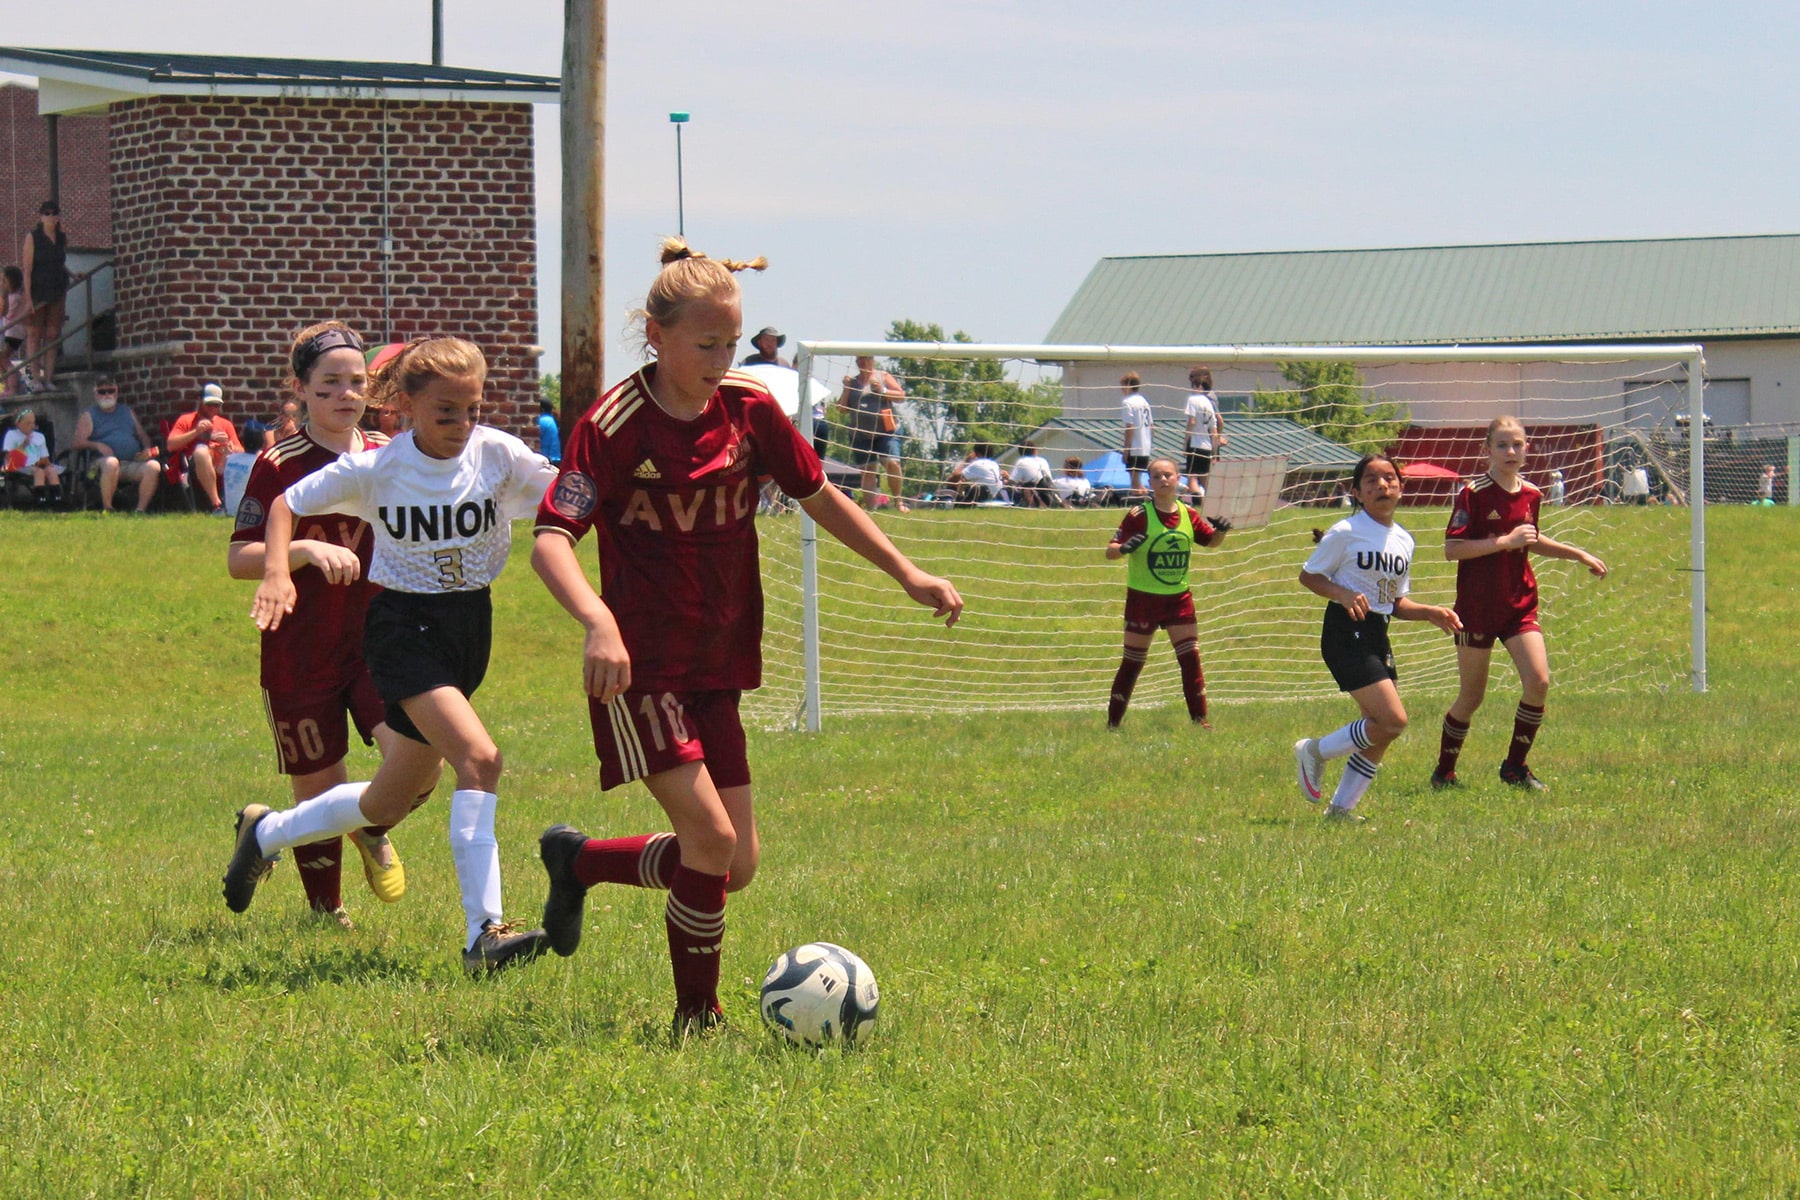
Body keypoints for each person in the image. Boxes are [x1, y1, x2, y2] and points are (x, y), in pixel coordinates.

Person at [530, 237, 963, 1037]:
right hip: (643, 669)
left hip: (718, 662)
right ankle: (697, 1020)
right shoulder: (615, 423)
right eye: (707, 344)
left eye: (732, 342)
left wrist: (908, 572)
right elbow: (551, 537)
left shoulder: (751, 409)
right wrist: (598, 622)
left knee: (733, 866)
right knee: (709, 836)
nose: (722, 357)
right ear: (656, 337)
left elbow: (822, 496)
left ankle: (581, 862)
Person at [228, 335, 559, 975]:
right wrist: (279, 569)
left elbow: (564, 493)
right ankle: (483, 933)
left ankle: (264, 833)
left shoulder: (496, 452)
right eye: (445, 413)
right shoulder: (380, 468)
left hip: (469, 627)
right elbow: (283, 504)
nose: (461, 425)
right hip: (403, 628)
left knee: (386, 802)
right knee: (481, 759)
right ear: (405, 405)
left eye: (472, 409)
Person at [228, 321, 428, 928]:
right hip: (300, 651)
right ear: (301, 389)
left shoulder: (388, 455)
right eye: (329, 384)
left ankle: (368, 824)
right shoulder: (278, 463)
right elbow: (240, 558)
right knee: (316, 795)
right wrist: (303, 553)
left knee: (422, 762)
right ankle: (325, 914)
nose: (346, 394)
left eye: (356, 382)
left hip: (380, 647)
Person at [1432, 418, 1608, 791]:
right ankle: (1444, 772)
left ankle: (1515, 767)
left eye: (1518, 445)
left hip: (1519, 605)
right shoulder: (1472, 493)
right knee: (1472, 696)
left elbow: (1530, 539)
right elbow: (1452, 549)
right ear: (1487, 451)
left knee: (1539, 682)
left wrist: (1578, 554)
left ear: (1527, 449)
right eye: (1502, 445)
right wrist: (1502, 542)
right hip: (1477, 608)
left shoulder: (1531, 493)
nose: (1511, 452)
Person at [1293, 454, 1462, 820]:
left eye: (1389, 478)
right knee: (1394, 720)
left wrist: (1430, 612)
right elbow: (1309, 576)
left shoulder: (1404, 540)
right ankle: (1314, 751)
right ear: (1356, 491)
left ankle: (1341, 811)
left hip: (1376, 633)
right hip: (1344, 629)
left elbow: (1395, 603)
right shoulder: (1346, 532)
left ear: (1401, 488)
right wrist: (1342, 594)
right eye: (1371, 480)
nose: (1381, 485)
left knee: (1382, 730)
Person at [1104, 456, 1229, 729]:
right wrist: (1125, 548)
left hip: (1178, 599)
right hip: (1143, 599)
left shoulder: (1188, 513)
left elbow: (1211, 541)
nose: (1164, 480)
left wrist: (1222, 531)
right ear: (1149, 482)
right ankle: (1113, 724)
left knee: (1190, 658)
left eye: (1168, 475)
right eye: (1157, 476)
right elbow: (1110, 551)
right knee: (1132, 662)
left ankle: (1200, 721)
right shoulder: (1139, 515)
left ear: (1178, 479)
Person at [71, 376, 162, 513]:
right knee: (111, 463)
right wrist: (98, 445)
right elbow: (77, 443)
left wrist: (146, 449)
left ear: (116, 392)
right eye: (102, 392)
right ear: (96, 394)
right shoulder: (89, 415)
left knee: (153, 466)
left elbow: (143, 436)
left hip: (130, 462)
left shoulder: (127, 411)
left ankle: (140, 510)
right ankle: (108, 508)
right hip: (99, 465)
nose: (107, 395)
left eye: (110, 390)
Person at [839, 355, 909, 513]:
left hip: (887, 431)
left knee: (892, 463)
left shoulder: (883, 376)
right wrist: (847, 388)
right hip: (860, 434)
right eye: (859, 359)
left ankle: (899, 502)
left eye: (866, 359)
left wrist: (882, 390)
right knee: (868, 470)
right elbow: (842, 409)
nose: (862, 362)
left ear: (873, 361)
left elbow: (901, 396)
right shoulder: (853, 382)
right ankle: (872, 510)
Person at [167, 383, 245, 514]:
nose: (213, 408)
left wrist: (230, 447)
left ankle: (239, 504)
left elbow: (241, 452)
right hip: (197, 465)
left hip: (221, 464)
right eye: (209, 404)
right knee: (201, 451)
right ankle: (217, 504)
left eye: (217, 405)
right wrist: (196, 432)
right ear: (200, 401)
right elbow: (171, 445)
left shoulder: (225, 424)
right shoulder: (187, 420)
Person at [21, 201, 68, 392]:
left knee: (52, 334)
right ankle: (34, 379)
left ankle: (49, 378)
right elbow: (27, 268)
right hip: (38, 290)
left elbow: (59, 262)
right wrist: (29, 297)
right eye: (46, 213)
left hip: (57, 288)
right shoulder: (33, 237)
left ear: (58, 216)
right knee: (34, 335)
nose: (50, 216)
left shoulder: (61, 238)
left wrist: (73, 275)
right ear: (41, 216)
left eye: (53, 213)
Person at [1182, 367, 1227, 508]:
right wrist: (1215, 450)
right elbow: (1213, 430)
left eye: (1193, 386)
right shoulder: (1209, 403)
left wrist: (1185, 442)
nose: (1191, 389)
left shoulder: (1194, 400)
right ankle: (1213, 502)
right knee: (1205, 476)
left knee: (1192, 477)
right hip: (1207, 446)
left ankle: (1198, 503)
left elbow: (1192, 422)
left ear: (1199, 386)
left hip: (1195, 444)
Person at [3, 407, 62, 506]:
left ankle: (56, 498)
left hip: (37, 464)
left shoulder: (39, 436)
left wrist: (46, 463)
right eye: (28, 423)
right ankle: (40, 499)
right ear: (18, 424)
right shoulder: (11, 435)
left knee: (51, 470)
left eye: (33, 423)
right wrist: (23, 446)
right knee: (38, 471)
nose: (32, 426)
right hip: (18, 465)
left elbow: (45, 456)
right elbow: (9, 458)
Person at [1120, 372, 1153, 493]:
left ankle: (1141, 504)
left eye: (1123, 386)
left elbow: (1130, 426)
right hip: (1145, 446)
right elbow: (1151, 425)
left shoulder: (1128, 402)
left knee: (1134, 483)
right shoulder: (1144, 401)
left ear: (1128, 385)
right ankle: (1146, 497)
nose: (1122, 389)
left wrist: (1126, 449)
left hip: (1135, 447)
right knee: (1138, 481)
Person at [1007, 441, 1058, 508]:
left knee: (1022, 487)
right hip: (1049, 492)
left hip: (1036, 494)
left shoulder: (1021, 462)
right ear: (1034, 450)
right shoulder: (1043, 460)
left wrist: (1006, 477)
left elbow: (1011, 482)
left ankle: (1027, 505)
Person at [1, 266, 27, 397]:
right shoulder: (15, 296)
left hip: (13, 332)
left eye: (4, 281)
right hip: (12, 331)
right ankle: (8, 385)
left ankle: (12, 387)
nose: (1, 283)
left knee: (4, 358)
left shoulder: (13, 298)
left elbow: (6, 314)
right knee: (2, 359)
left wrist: (3, 299)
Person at [537, 396, 562, 465]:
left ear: (541, 409)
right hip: (555, 459)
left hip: (547, 460)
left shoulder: (542, 421)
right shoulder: (550, 419)